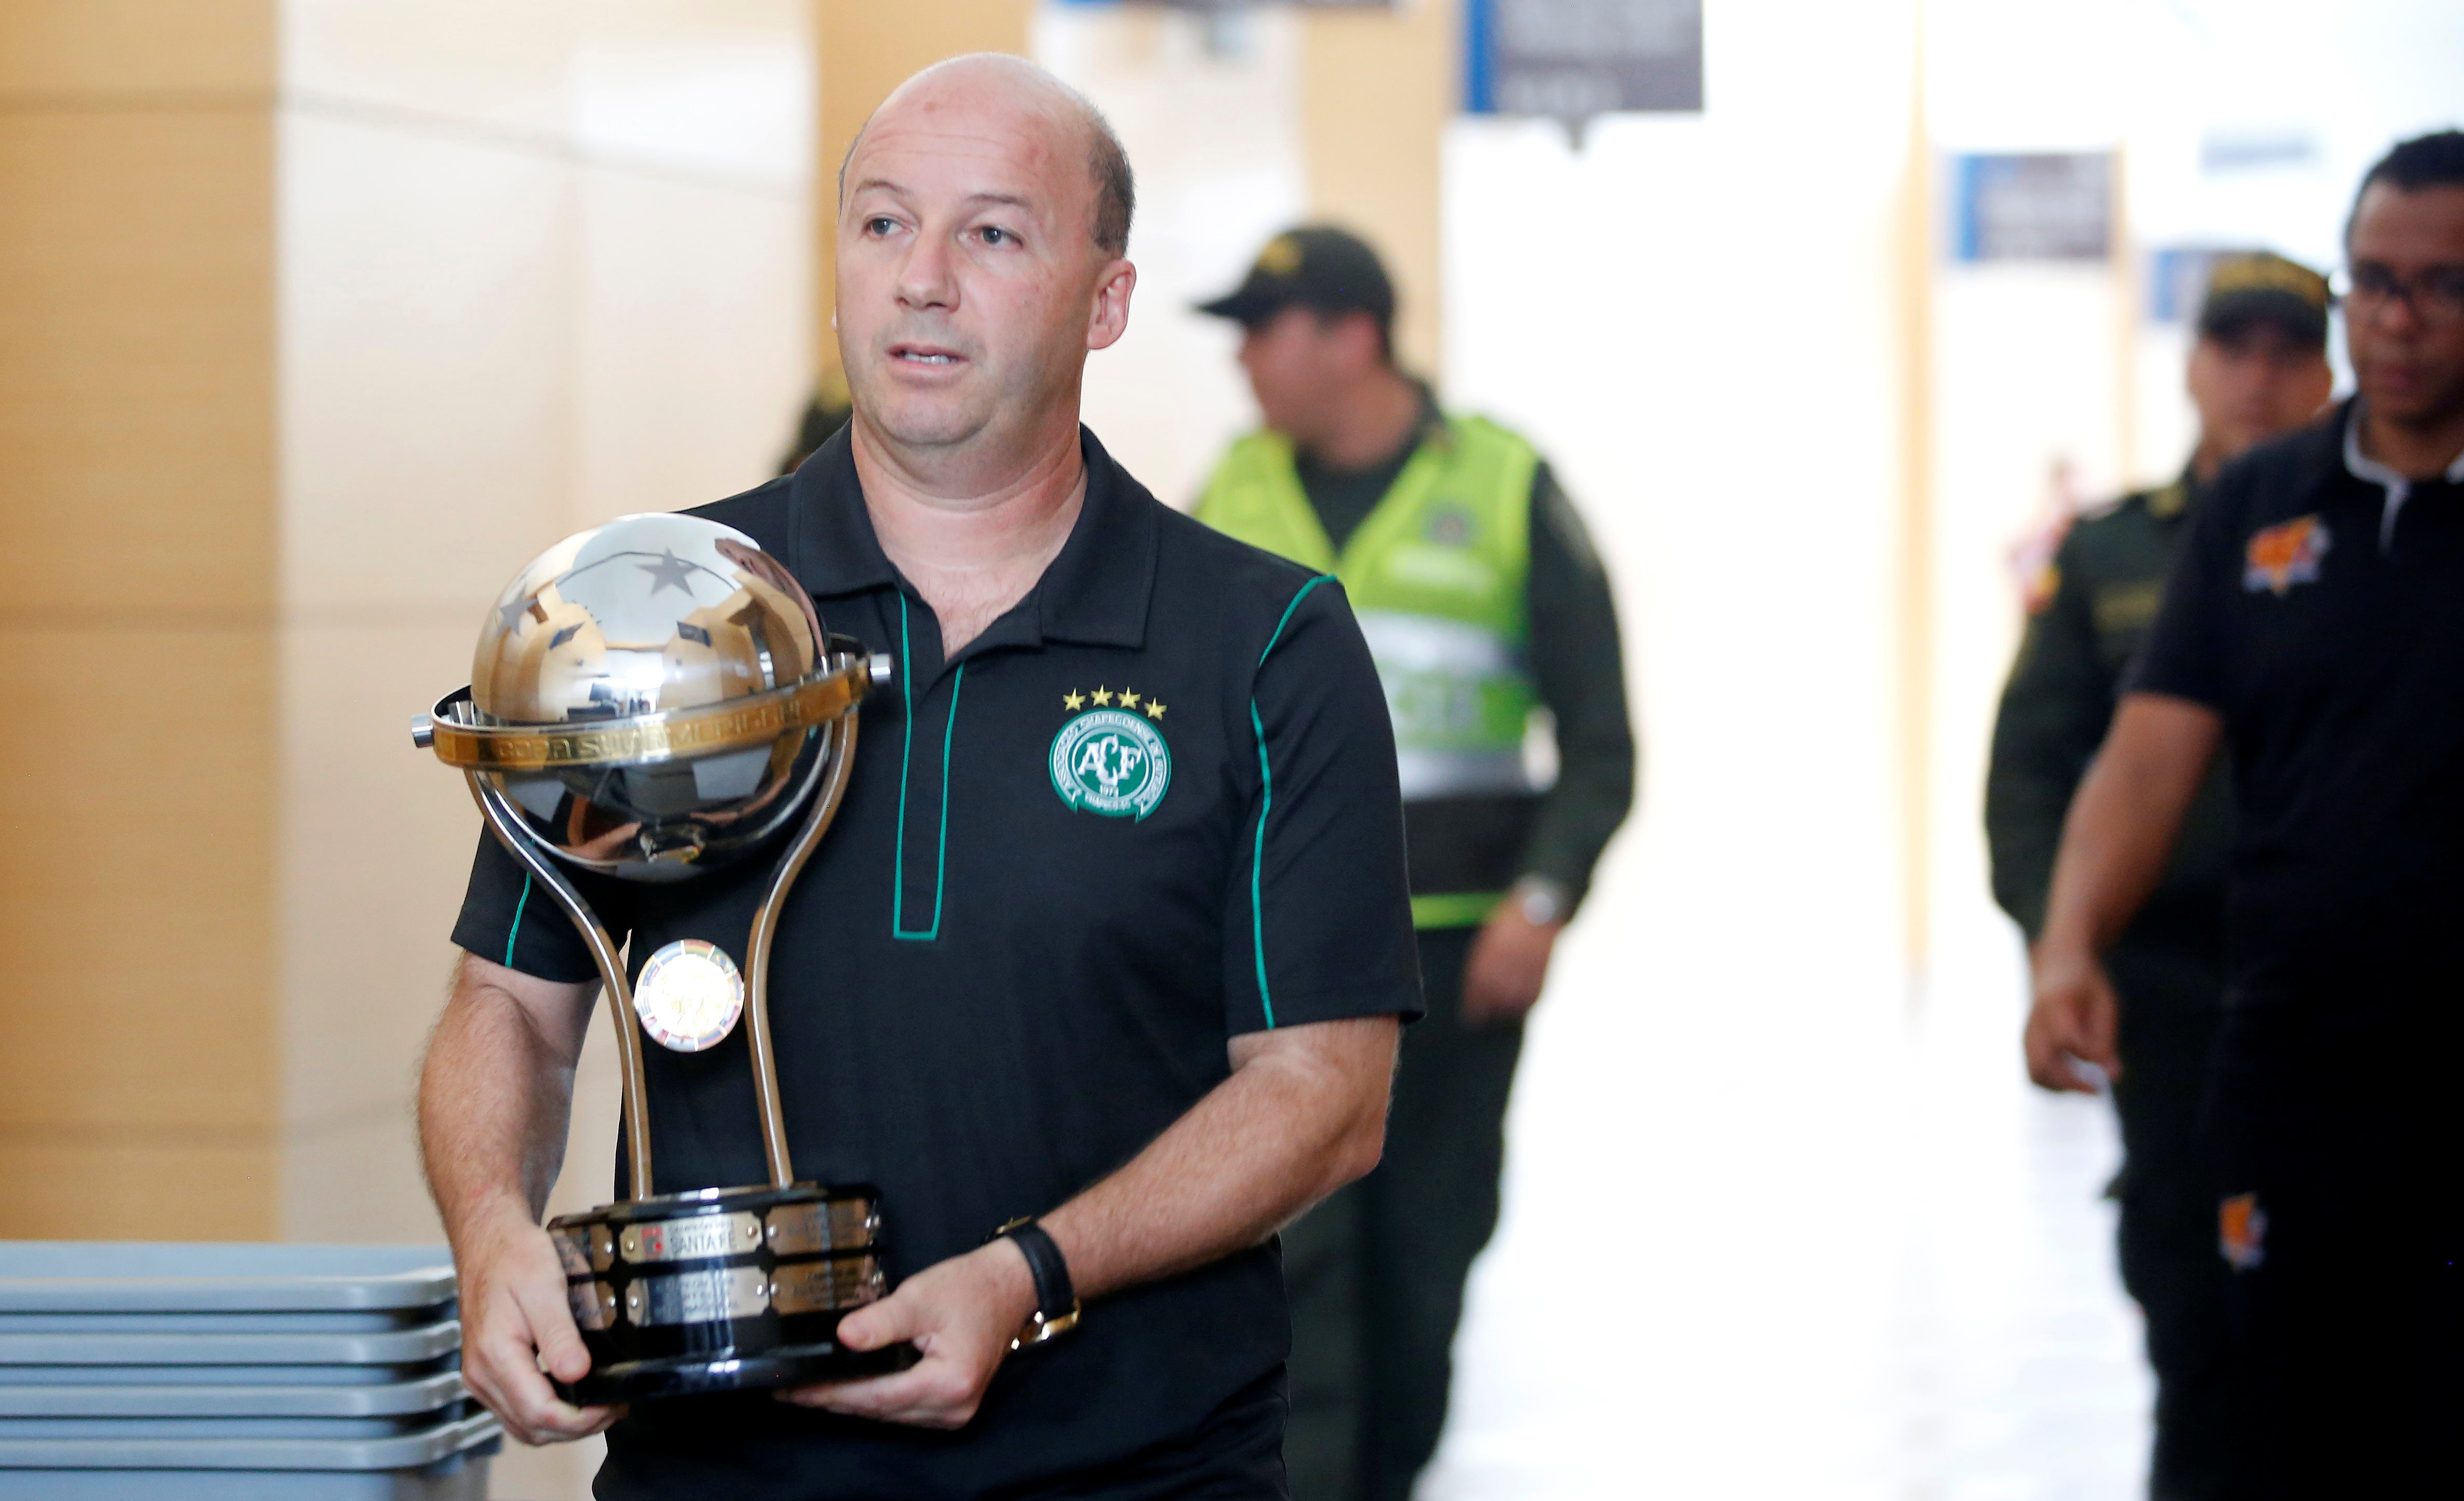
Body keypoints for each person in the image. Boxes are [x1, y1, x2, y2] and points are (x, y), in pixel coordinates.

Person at [419, 56, 1425, 1500]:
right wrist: (491, 1227)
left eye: (994, 233)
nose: (923, 280)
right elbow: (507, 1006)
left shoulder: (1261, 641)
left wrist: (1031, 1275)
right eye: (882, 225)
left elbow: (1327, 1090)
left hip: (1135, 1471)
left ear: (1107, 298)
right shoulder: (652, 610)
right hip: (718, 1472)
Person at [2025, 130, 2464, 1498]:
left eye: (2437, 285)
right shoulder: (2253, 510)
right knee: (2261, 1410)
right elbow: (2140, 758)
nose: (2394, 319)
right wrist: (2064, 945)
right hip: (2284, 1056)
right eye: (2370, 283)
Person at [1191, 227, 1635, 1501]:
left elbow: (1601, 738)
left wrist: (1539, 905)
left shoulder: (1501, 484)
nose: (1240, 359)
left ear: (1351, 336)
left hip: (1455, 956)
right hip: (1278, 954)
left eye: (1262, 327)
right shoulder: (1231, 487)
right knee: (1296, 1251)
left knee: (1425, 1256)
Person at [1986, 251, 2331, 1501]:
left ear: (2324, 368)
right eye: (2229, 346)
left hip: (2343, 983)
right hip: (2171, 981)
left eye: (2286, 350)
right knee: (2188, 1291)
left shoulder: (2380, 535)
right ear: (2189, 363)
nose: (2255, 377)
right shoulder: (2114, 553)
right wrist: (2055, 942)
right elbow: (2031, 771)